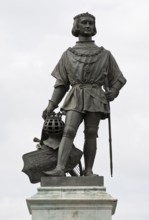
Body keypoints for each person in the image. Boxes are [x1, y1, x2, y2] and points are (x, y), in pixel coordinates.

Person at [42, 12, 126, 176]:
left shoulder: (105, 54)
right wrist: (51, 105)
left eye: (91, 23)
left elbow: (119, 79)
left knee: (91, 134)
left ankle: (88, 171)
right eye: (84, 23)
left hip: (95, 96)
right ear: (76, 27)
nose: (88, 25)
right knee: (68, 131)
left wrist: (113, 92)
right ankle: (60, 168)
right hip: (75, 96)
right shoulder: (68, 54)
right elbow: (61, 84)